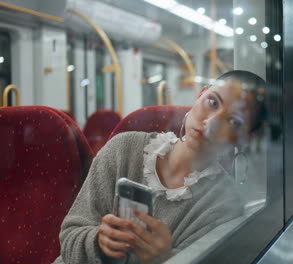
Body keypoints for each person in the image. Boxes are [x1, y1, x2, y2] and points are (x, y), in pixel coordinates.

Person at [53, 70, 267, 264]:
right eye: (212, 102)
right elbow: (69, 239)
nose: (210, 124)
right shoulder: (122, 149)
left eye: (234, 123)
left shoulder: (224, 207)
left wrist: (166, 259)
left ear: (244, 139)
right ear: (200, 94)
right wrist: (98, 243)